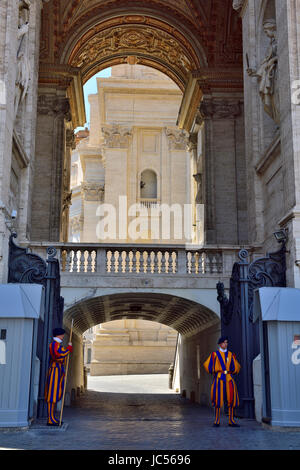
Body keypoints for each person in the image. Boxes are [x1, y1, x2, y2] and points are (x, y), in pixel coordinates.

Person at [203, 336, 241, 427]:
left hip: (229, 378)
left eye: (227, 342)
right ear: (220, 344)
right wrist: (215, 370)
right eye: (224, 342)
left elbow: (236, 367)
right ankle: (217, 420)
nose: (226, 344)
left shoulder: (231, 354)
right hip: (219, 378)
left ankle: (231, 420)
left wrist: (232, 370)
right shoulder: (214, 355)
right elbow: (208, 366)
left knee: (231, 398)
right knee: (217, 399)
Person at [44, 327, 73, 426]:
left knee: (56, 393)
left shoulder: (57, 344)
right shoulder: (53, 345)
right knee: (52, 394)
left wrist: (67, 349)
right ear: (58, 335)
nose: (63, 336)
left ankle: (52, 417)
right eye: (62, 334)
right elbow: (59, 354)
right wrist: (68, 349)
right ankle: (50, 419)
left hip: (58, 370)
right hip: (54, 370)